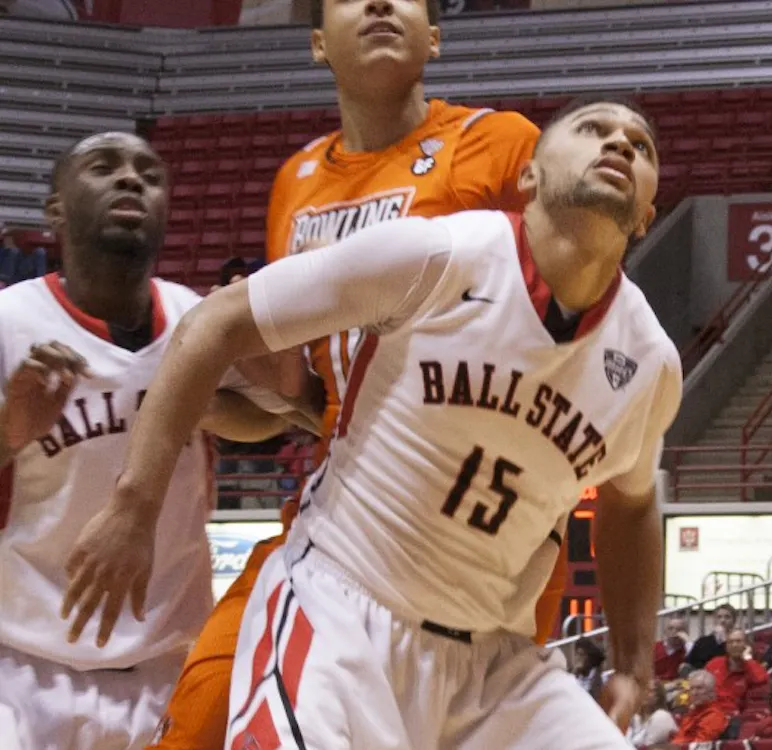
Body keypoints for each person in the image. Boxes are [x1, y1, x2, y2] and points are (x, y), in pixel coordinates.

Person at [63, 99, 680, 749]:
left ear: (646, 215)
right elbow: (214, 324)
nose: (619, 144)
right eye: (592, 130)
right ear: (528, 177)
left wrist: (632, 663)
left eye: (640, 145)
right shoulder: (441, 255)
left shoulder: (649, 363)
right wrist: (135, 504)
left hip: (495, 666)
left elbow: (632, 503)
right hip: (342, 609)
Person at [91, 0, 563, 742]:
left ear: (435, 36)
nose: (377, 3)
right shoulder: (297, 182)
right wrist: (273, 392)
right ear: (316, 43)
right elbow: (315, 403)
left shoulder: (502, 144)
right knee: (204, 714)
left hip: (484, 518)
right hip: (339, 505)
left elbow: (567, 324)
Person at [0, 133, 303, 750]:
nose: (131, 180)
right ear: (56, 208)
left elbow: (262, 419)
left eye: (150, 173)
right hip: (22, 672)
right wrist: (9, 432)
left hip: (171, 668)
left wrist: (207, 406)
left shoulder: (198, 319)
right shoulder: (9, 322)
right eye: (103, 168)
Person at [704, 629, 769, 714]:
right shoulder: (714, 664)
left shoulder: (753, 667)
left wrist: (747, 659)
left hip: (735, 716)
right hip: (710, 711)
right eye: (730, 642)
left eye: (738, 641)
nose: (734, 645)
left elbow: (761, 680)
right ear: (726, 647)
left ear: (747, 645)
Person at [669, 671, 730, 745]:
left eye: (699, 688)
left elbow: (699, 746)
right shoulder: (692, 712)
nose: (694, 693)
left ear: (711, 692)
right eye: (692, 689)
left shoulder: (714, 716)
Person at [626, 680, 677, 749]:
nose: (644, 693)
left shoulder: (662, 716)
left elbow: (647, 747)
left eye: (650, 691)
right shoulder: (635, 718)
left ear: (658, 696)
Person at [686, 604, 736, 669]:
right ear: (714, 620)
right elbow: (689, 662)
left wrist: (724, 639)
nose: (723, 620)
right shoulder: (702, 641)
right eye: (719, 617)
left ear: (734, 621)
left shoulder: (737, 642)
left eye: (727, 617)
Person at [653, 616, 691, 681]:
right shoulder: (654, 647)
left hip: (679, 687)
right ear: (665, 631)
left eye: (679, 629)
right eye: (670, 628)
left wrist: (688, 641)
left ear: (686, 633)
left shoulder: (688, 649)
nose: (674, 632)